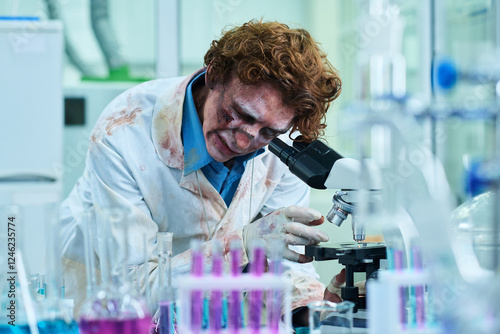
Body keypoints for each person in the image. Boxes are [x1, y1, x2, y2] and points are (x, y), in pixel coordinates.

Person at [59, 19, 342, 326]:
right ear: (214, 75)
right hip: (109, 317)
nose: (246, 140)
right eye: (239, 114)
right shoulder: (124, 131)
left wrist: (317, 312)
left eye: (268, 132)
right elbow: (129, 289)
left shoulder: (282, 146)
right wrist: (241, 246)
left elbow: (283, 268)